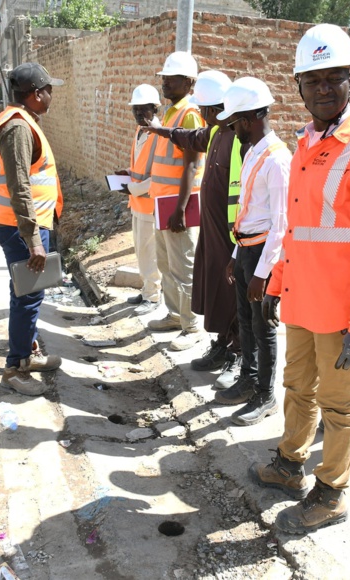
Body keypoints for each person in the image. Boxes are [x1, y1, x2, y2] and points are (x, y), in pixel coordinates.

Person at [249, 24, 350, 534]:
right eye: (312, 80)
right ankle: (291, 465)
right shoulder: (308, 143)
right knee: (296, 387)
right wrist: (276, 284)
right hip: (300, 302)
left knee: (339, 406)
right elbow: (297, 229)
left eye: (334, 78)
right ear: (298, 86)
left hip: (342, 314)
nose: (323, 89)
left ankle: (331, 493)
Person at [142, 70, 246, 382]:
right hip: (213, 231)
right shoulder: (214, 132)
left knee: (234, 298)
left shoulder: (240, 140)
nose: (201, 115)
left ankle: (238, 354)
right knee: (214, 289)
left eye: (204, 110)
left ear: (214, 110)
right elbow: (189, 138)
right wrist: (161, 131)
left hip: (234, 236)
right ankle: (220, 343)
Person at [213, 77, 291, 427]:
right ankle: (249, 378)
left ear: (249, 119)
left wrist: (263, 273)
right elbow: (246, 209)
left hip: (263, 253)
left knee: (263, 326)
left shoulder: (277, 160)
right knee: (245, 321)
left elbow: (281, 223)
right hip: (245, 249)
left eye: (234, 122)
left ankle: (265, 395)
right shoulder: (253, 152)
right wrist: (234, 255)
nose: (232, 129)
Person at [0, 62, 65, 396]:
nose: (51, 96)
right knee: (28, 296)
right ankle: (15, 367)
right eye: (48, 90)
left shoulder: (20, 120)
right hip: (21, 227)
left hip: (22, 223)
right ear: (35, 95)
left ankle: (27, 352)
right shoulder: (18, 127)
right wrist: (33, 239)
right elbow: (20, 186)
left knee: (27, 292)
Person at [146, 52, 207, 352]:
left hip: (179, 205)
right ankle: (174, 315)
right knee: (166, 263)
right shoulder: (169, 114)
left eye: (171, 78)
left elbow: (191, 166)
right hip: (163, 202)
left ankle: (192, 325)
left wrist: (181, 209)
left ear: (189, 82)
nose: (165, 82)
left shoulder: (190, 114)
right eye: (164, 78)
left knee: (184, 266)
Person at [117, 84, 163, 316]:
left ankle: (153, 295)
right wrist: (127, 173)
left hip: (150, 204)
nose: (138, 115)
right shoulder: (139, 132)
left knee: (150, 252)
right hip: (137, 203)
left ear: (154, 109)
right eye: (135, 110)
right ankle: (147, 290)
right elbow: (141, 166)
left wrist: (133, 188)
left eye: (143, 110)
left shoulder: (160, 135)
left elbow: (160, 175)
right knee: (140, 250)